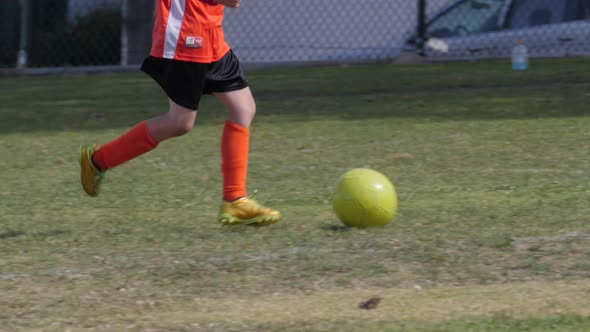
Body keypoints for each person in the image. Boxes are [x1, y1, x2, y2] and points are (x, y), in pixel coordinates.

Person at [79, 0, 281, 226]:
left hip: (211, 34)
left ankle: (235, 200)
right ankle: (98, 160)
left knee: (243, 108)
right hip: (186, 36)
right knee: (179, 122)